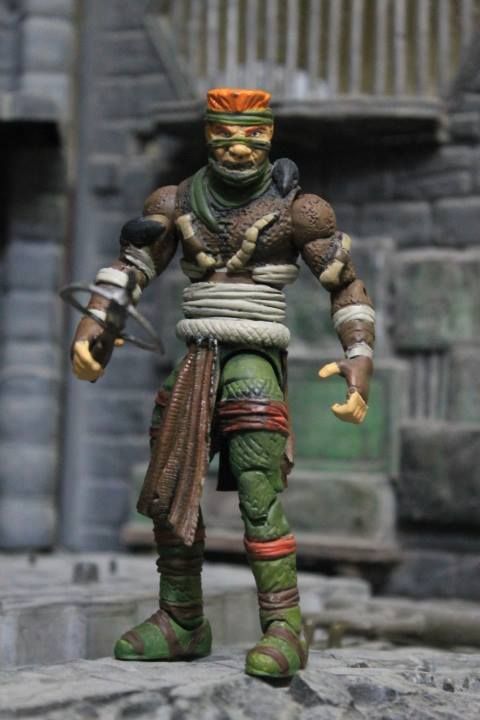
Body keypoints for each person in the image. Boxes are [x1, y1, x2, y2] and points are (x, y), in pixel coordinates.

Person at [71, 88, 375, 679]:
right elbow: (131, 268)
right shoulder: (175, 202)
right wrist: (95, 328)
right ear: (209, 135)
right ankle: (182, 618)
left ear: (269, 135)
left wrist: (359, 357)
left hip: (253, 356)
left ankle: (285, 626)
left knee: (258, 485)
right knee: (169, 481)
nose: (238, 149)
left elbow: (345, 285)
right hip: (197, 358)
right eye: (225, 135)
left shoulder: (300, 212)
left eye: (252, 136)